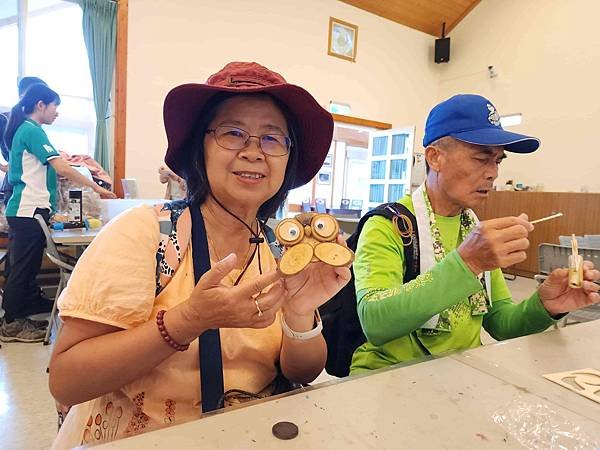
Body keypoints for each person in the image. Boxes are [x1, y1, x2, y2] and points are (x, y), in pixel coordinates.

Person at [49, 61, 351, 448]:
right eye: (233, 133)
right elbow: (67, 380)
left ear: (288, 159)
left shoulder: (282, 247)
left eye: (272, 139)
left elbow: (304, 372)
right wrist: (186, 321)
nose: (254, 152)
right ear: (200, 147)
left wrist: (299, 313)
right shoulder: (149, 234)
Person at [350, 94, 600, 373]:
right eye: (481, 158)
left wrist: (545, 305)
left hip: (461, 376)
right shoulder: (388, 225)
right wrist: (468, 263)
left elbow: (501, 323)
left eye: (497, 161)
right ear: (435, 157)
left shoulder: (473, 229)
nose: (492, 173)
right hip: (389, 376)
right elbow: (375, 322)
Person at [0, 84, 115, 343]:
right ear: (41, 105)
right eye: (55, 106)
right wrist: (98, 187)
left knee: (24, 268)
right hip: (28, 209)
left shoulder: (26, 130)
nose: (57, 113)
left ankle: (21, 312)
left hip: (28, 209)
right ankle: (11, 324)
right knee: (22, 269)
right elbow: (61, 167)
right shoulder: (32, 130)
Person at [0, 77, 48, 206]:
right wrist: (7, 167)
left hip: (34, 189)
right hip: (16, 188)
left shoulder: (35, 125)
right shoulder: (4, 119)